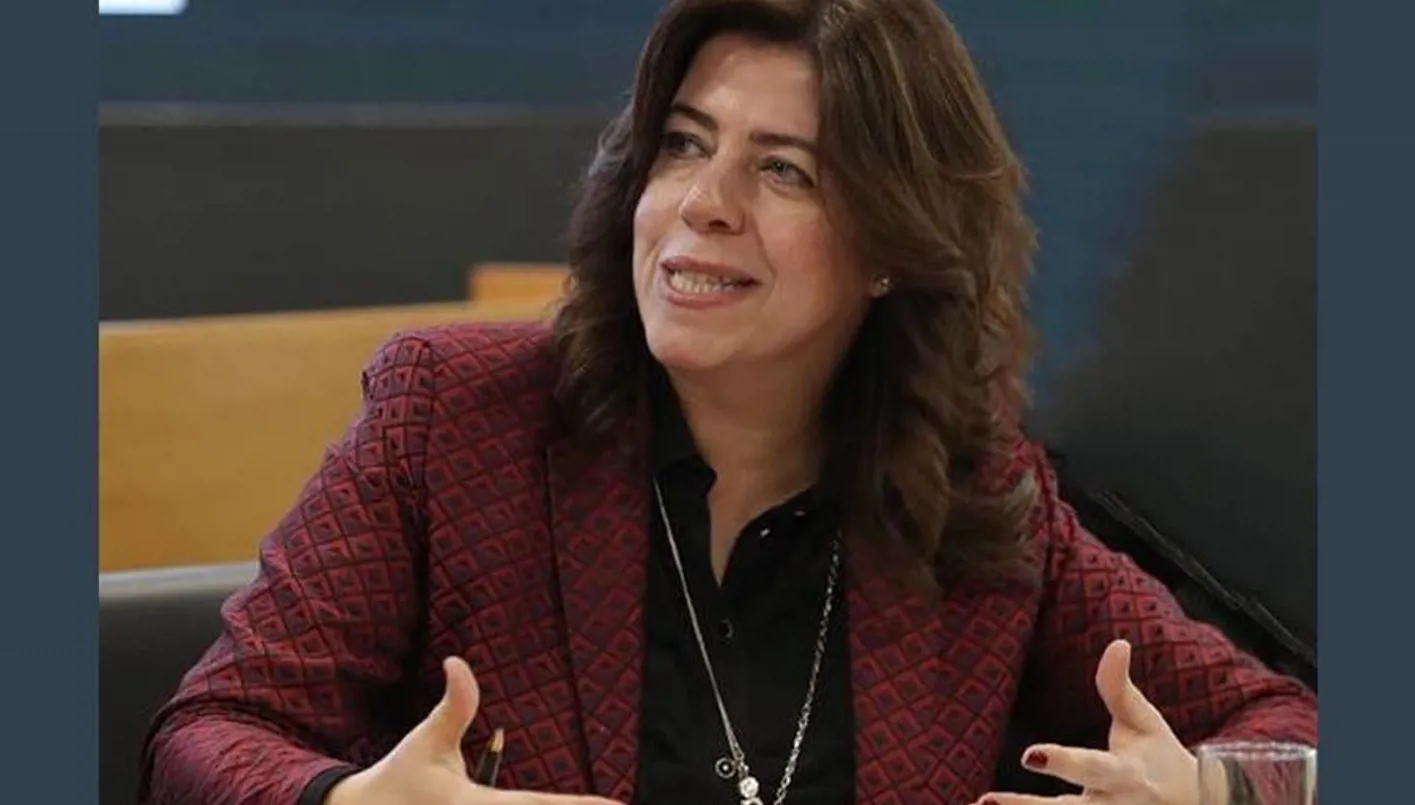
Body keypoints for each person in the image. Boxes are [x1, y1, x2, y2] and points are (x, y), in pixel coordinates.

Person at [137, 1, 1317, 804]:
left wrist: (1207, 786)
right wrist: (344, 799)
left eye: (782, 168)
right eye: (682, 145)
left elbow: (1292, 728)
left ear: (890, 244)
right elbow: (207, 734)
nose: (702, 202)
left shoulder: (974, 498)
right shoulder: (451, 418)